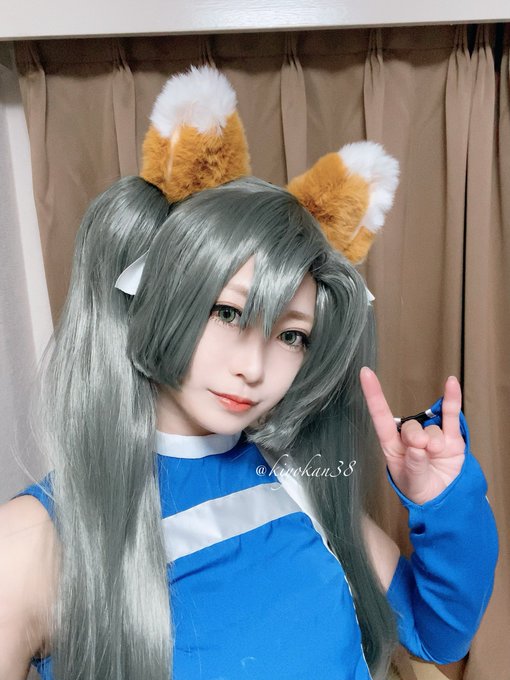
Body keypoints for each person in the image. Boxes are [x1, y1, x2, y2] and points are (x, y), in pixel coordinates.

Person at [0, 67, 498, 680]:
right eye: (228, 312)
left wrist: (446, 505)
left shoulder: (296, 477)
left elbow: (436, 635)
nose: (254, 368)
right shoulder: (32, 543)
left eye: (291, 335)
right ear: (158, 297)